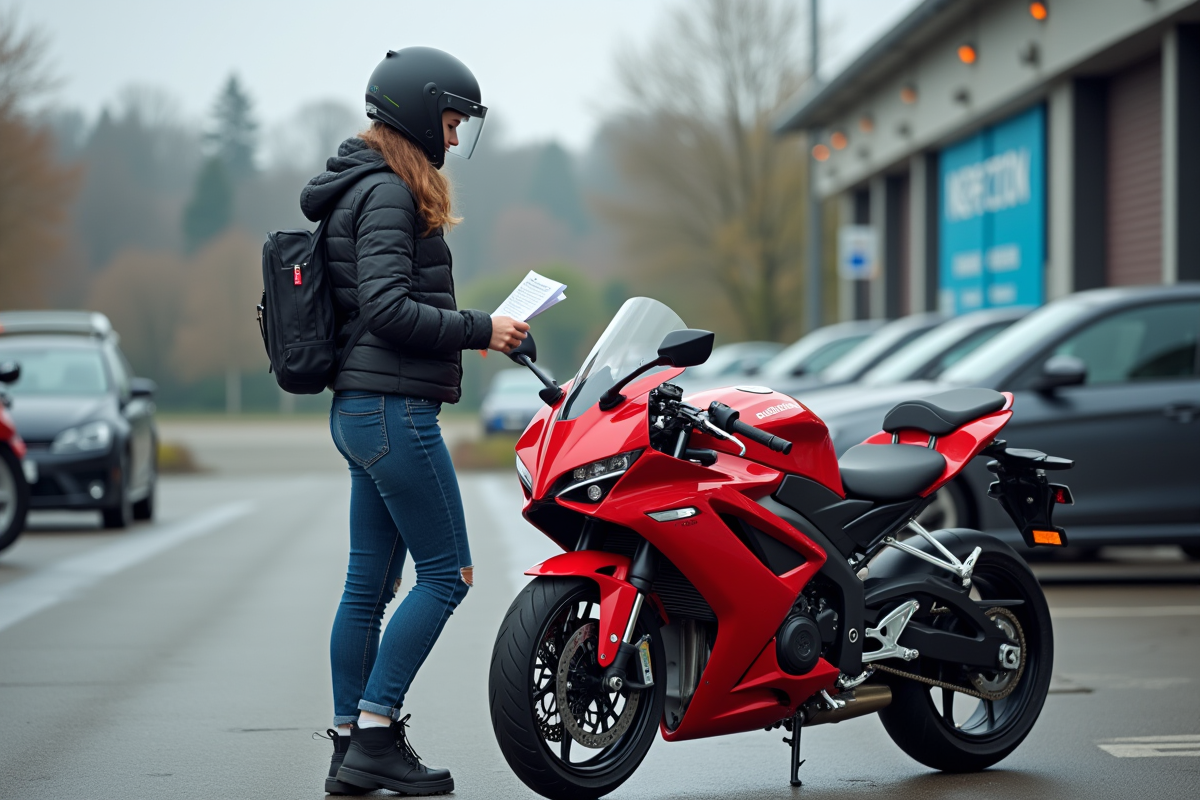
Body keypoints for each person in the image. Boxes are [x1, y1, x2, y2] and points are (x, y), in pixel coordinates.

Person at [299, 47, 528, 796]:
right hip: (394, 411)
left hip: (363, 409)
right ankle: (375, 730)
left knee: (368, 582)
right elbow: (391, 310)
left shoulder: (356, 187)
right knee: (448, 574)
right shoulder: (390, 195)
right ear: (421, 113)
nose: (455, 138)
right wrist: (482, 328)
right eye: (452, 121)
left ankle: (348, 749)